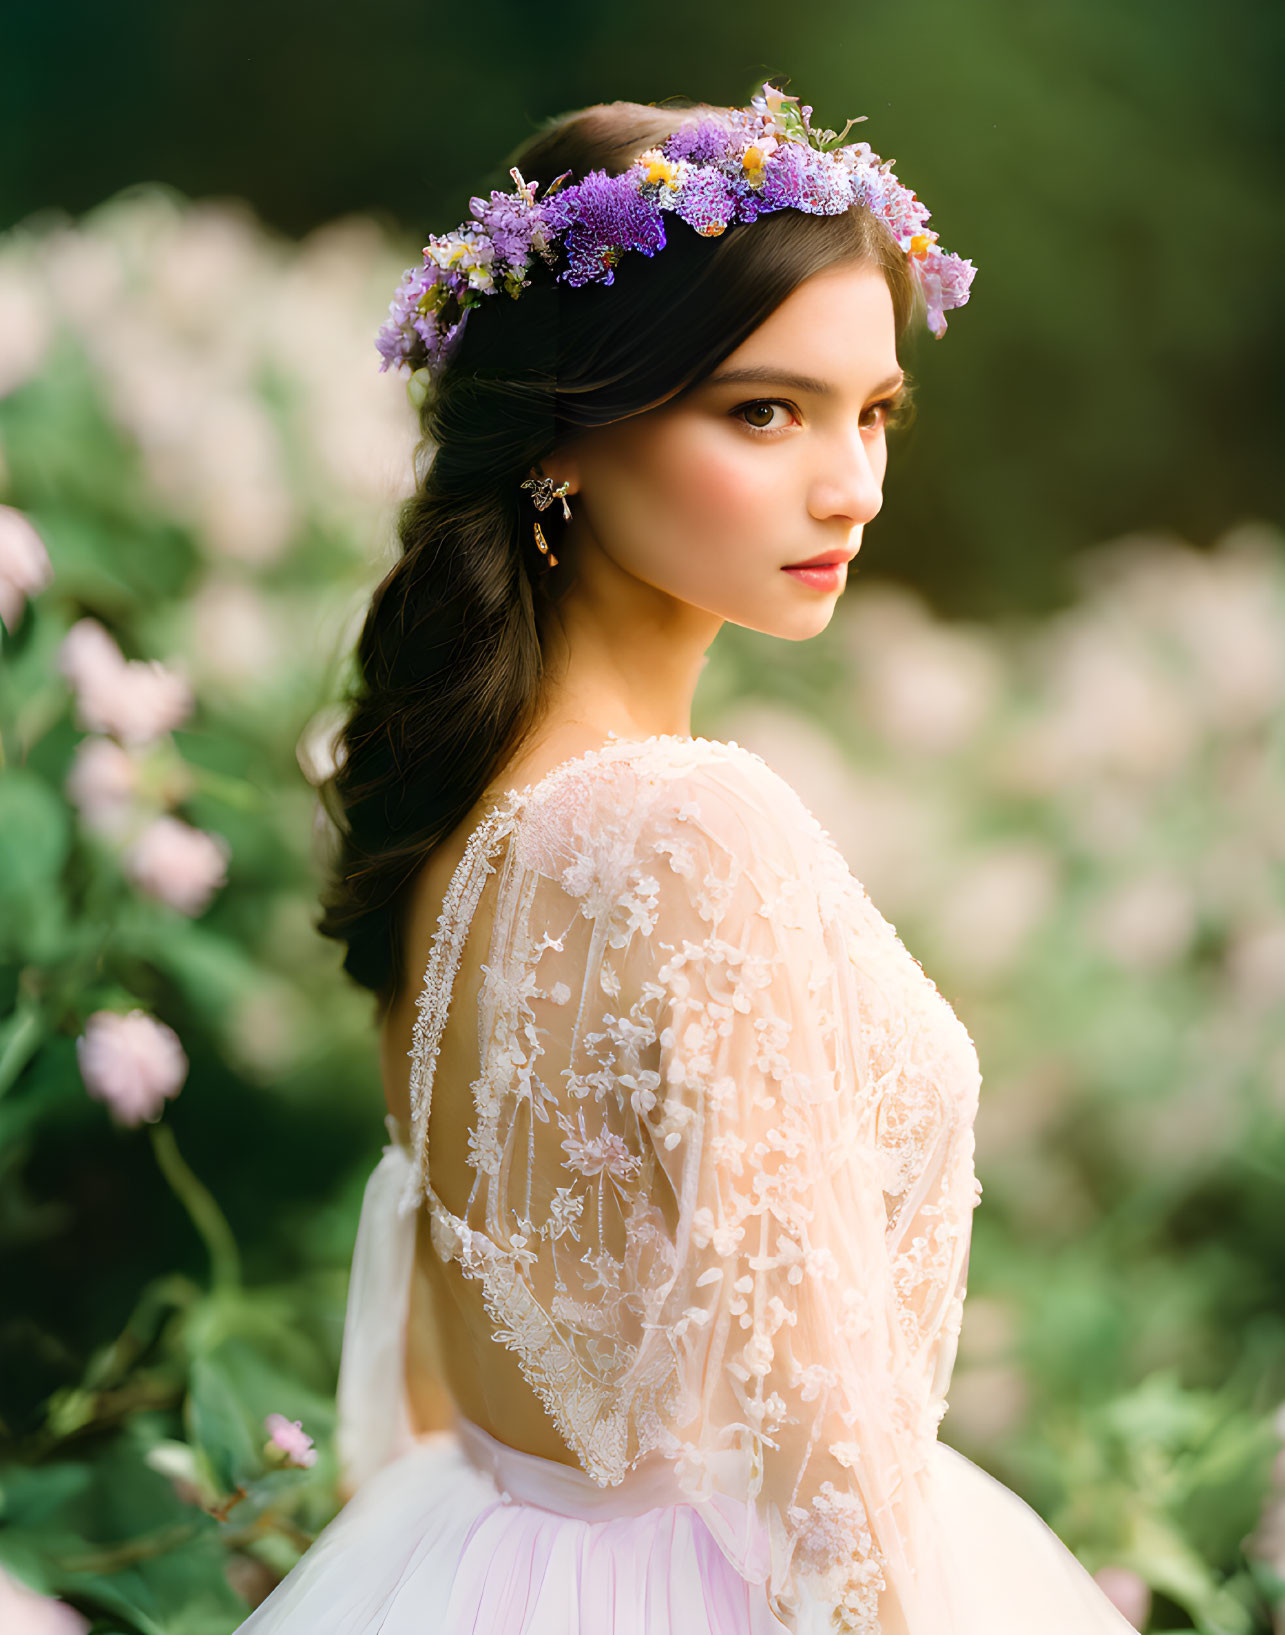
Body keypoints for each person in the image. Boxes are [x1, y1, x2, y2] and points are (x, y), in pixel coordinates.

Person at [236, 82, 1138, 1634]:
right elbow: (815, 1450)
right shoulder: (680, 831)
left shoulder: (457, 825)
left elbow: (442, 1368)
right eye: (763, 412)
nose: (849, 484)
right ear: (567, 438)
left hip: (482, 1563)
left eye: (872, 414)